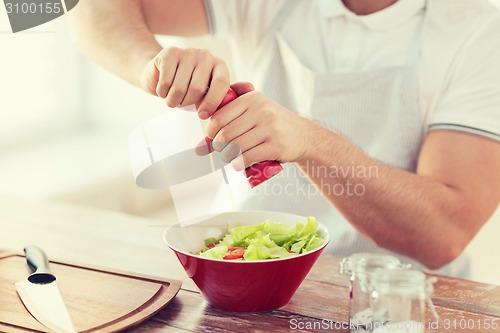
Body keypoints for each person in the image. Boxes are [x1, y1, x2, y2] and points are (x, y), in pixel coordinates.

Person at [68, 0, 500, 277]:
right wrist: (154, 66)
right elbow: (85, 5)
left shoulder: (481, 30)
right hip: (243, 275)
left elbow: (443, 232)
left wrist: (309, 141)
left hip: (394, 298)